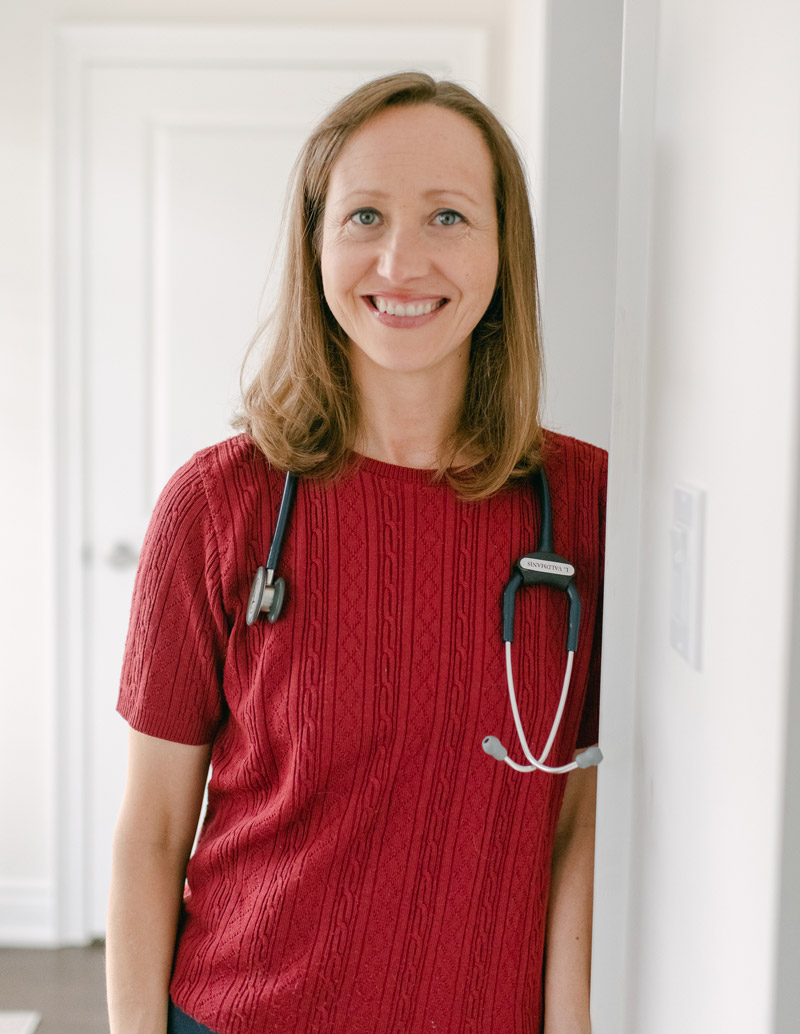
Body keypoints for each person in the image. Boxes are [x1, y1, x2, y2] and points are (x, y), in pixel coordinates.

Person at [106, 71, 606, 1034]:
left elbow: (578, 824)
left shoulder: (585, 509)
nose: (401, 260)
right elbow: (154, 830)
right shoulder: (218, 508)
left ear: (505, 251)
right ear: (318, 245)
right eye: (365, 215)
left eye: (449, 217)